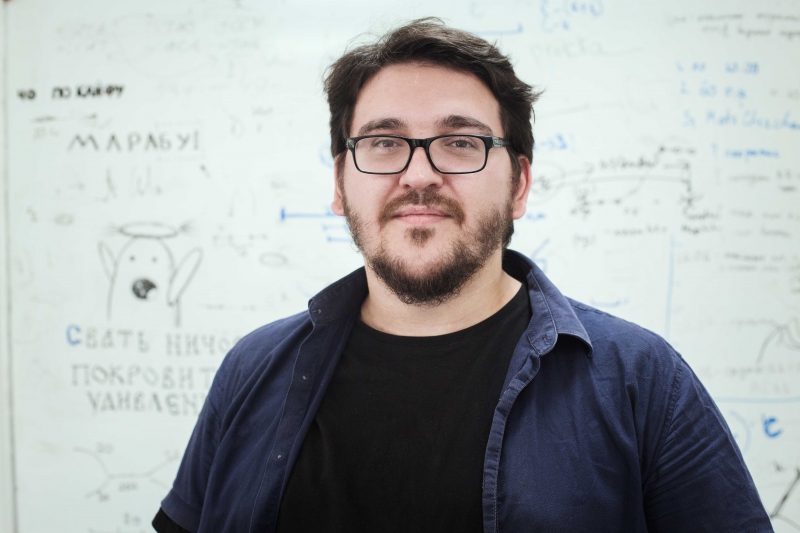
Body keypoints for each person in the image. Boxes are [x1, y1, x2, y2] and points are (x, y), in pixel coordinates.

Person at [153, 18, 773, 533]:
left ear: (519, 184)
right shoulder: (253, 368)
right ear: (340, 183)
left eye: (460, 143)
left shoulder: (642, 381)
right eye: (384, 142)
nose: (419, 175)